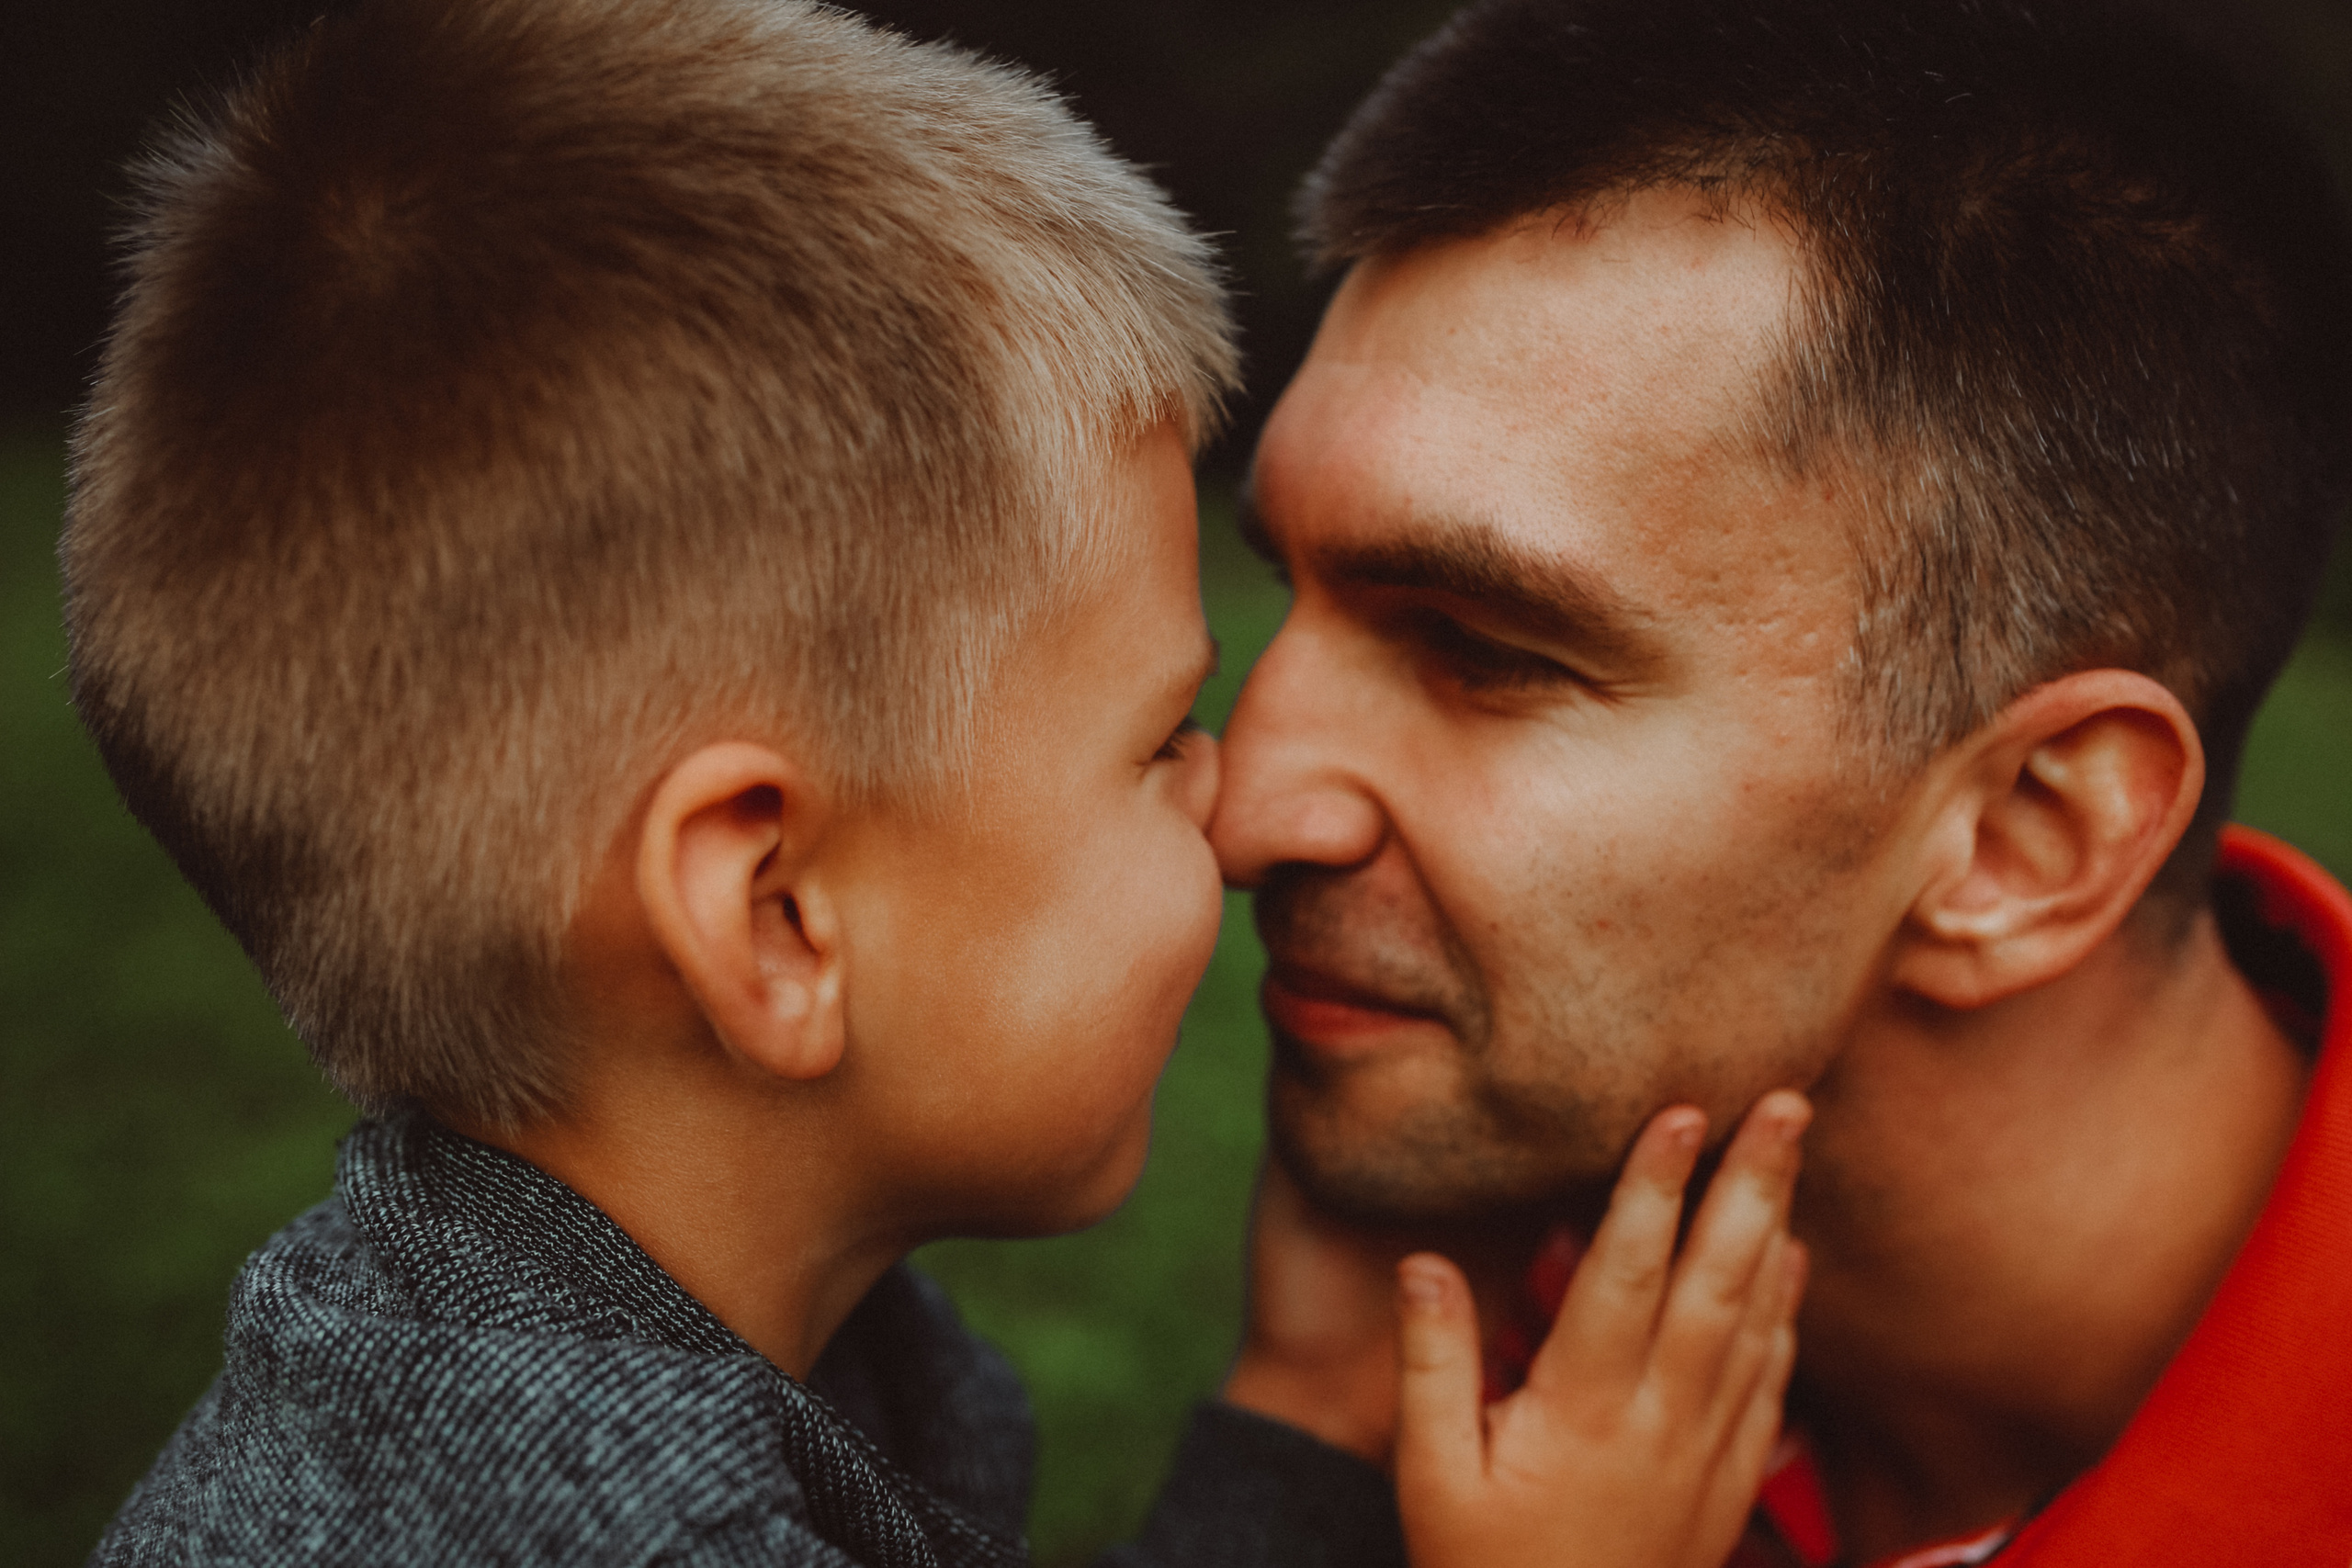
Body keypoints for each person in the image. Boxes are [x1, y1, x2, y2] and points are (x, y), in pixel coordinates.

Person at [66, 1, 1812, 1563]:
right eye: (1156, 745)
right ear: (776, 914)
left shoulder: (495, 1351)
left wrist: (1301, 1406)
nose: (1235, 814)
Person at [1193, 0, 2352, 1564]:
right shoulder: (1488, 1363)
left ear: (2027, 837)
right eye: (1290, 584)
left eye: (1485, 651)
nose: (1246, 810)